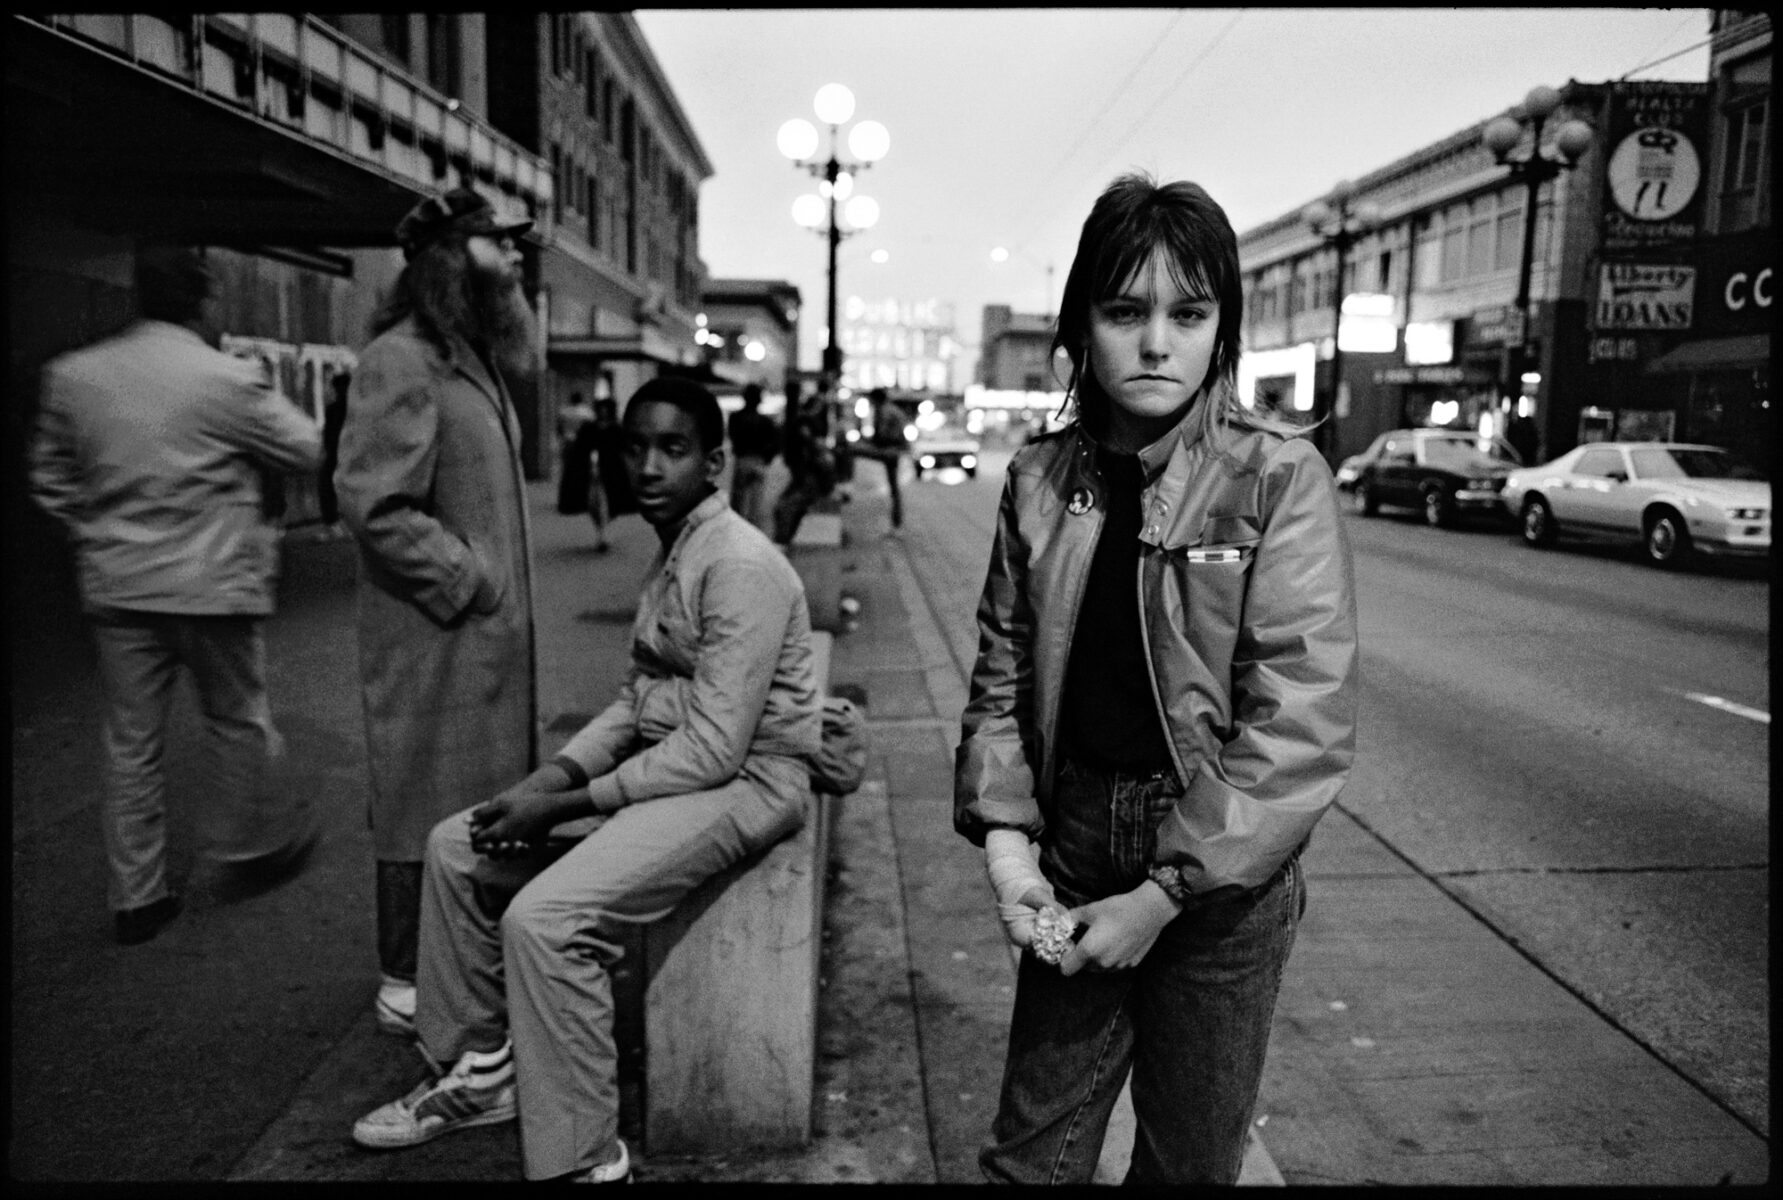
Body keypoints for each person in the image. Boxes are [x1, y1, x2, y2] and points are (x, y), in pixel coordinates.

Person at [953, 173, 1359, 1184]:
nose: (1154, 342)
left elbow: (1296, 715)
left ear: (1220, 330)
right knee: (1029, 1157)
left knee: (1185, 1164)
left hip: (1221, 879)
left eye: (1188, 313)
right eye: (1124, 311)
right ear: (1081, 324)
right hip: (1079, 845)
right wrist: (1010, 851)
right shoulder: (1041, 479)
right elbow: (1000, 672)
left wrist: (1167, 893)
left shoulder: (1272, 476)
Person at [349, 376, 820, 1183]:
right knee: (455, 847)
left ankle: (587, 1160)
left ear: (712, 464)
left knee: (547, 920)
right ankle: (481, 1071)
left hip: (750, 780)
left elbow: (712, 750)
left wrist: (563, 804)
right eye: (634, 447)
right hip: (683, 767)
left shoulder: (738, 562)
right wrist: (545, 784)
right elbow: (639, 702)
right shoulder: (675, 548)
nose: (647, 467)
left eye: (672, 450)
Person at [29, 245, 324, 945]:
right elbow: (305, 448)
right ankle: (245, 847)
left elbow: (49, 479)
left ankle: (136, 896)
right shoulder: (225, 379)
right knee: (238, 720)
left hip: (119, 590)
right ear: (203, 301)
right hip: (214, 587)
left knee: (131, 743)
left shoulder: (73, 376)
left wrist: (97, 528)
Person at [334, 186, 541, 1039]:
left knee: (472, 803)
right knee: (422, 805)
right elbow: (373, 502)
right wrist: (470, 578)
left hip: (476, 643)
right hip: (432, 636)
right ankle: (406, 980)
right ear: (454, 257)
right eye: (502, 242)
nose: (519, 256)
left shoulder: (467, 356)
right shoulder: (402, 359)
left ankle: (457, 967)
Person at [726, 381, 779, 532]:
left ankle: (736, 533)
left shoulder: (735, 418)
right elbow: (774, 443)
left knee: (739, 502)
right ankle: (751, 535)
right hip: (759, 461)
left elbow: (733, 436)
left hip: (742, 460)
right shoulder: (766, 422)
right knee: (755, 504)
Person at [865, 386, 908, 529]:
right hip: (893, 448)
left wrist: (870, 443)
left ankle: (896, 521)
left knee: (894, 486)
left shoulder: (884, 411)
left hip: (890, 449)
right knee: (894, 486)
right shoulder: (892, 409)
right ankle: (896, 521)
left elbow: (883, 434)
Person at [554, 391, 594, 517]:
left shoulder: (564, 412)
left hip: (568, 443)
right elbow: (591, 428)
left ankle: (567, 498)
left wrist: (562, 437)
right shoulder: (587, 412)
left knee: (567, 472)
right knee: (583, 473)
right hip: (582, 445)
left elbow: (559, 428)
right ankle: (582, 499)